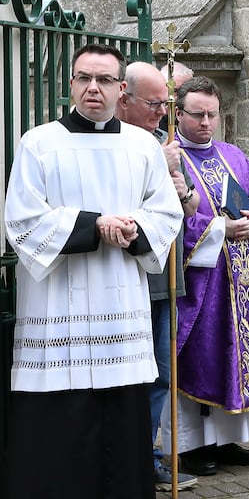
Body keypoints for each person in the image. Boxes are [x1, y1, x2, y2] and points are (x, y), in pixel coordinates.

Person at [2, 43, 183, 499]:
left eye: (104, 80)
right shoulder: (38, 142)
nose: (93, 89)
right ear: (71, 84)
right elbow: (20, 220)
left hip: (119, 305)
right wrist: (93, 225)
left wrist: (133, 228)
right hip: (56, 304)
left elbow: (165, 216)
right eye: (84, 78)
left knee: (119, 421)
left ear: (121, 89)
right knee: (59, 425)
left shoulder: (142, 145)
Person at [160, 76, 249, 477]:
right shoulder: (168, 160)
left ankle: (228, 438)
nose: (205, 122)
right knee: (200, 357)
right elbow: (169, 221)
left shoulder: (234, 156)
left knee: (236, 357)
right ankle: (190, 446)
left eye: (212, 115)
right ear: (178, 113)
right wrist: (221, 230)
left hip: (244, 278)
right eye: (197, 114)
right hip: (203, 285)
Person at [116, 61, 200, 492]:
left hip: (167, 277)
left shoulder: (161, 143)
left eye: (166, 104)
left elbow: (185, 212)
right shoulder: (113, 142)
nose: (163, 113)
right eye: (155, 103)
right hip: (126, 278)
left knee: (162, 373)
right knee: (128, 374)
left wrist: (178, 184)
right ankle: (128, 457)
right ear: (124, 98)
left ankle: (149, 455)